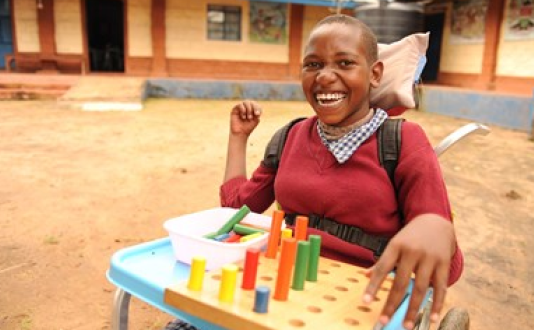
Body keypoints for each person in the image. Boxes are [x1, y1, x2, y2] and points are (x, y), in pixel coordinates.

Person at [166, 14, 462, 330]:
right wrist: (238, 138)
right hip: (279, 281)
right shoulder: (289, 138)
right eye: (313, 64)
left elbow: (449, 264)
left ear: (375, 73)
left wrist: (435, 226)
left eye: (345, 63)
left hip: (361, 297)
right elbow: (237, 209)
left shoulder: (403, 141)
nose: (324, 77)